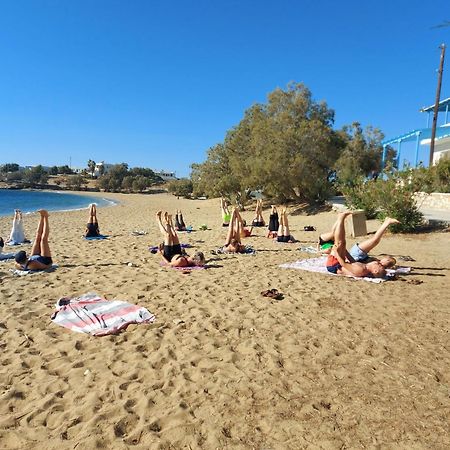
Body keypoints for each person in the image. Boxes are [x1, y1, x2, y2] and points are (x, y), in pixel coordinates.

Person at [319, 216, 399, 268]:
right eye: (388, 261)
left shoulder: (378, 265)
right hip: (357, 253)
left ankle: (341, 218)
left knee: (375, 240)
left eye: (389, 264)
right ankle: (387, 222)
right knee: (375, 240)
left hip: (356, 255)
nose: (388, 263)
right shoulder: (378, 263)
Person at [326, 212, 386, 278]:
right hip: (338, 263)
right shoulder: (365, 268)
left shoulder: (361, 270)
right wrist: (345, 251)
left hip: (333, 265)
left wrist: (336, 253)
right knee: (342, 243)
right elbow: (352, 261)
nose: (380, 264)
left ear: (375, 271)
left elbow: (343, 264)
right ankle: (341, 218)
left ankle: (341, 218)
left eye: (380, 266)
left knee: (339, 242)